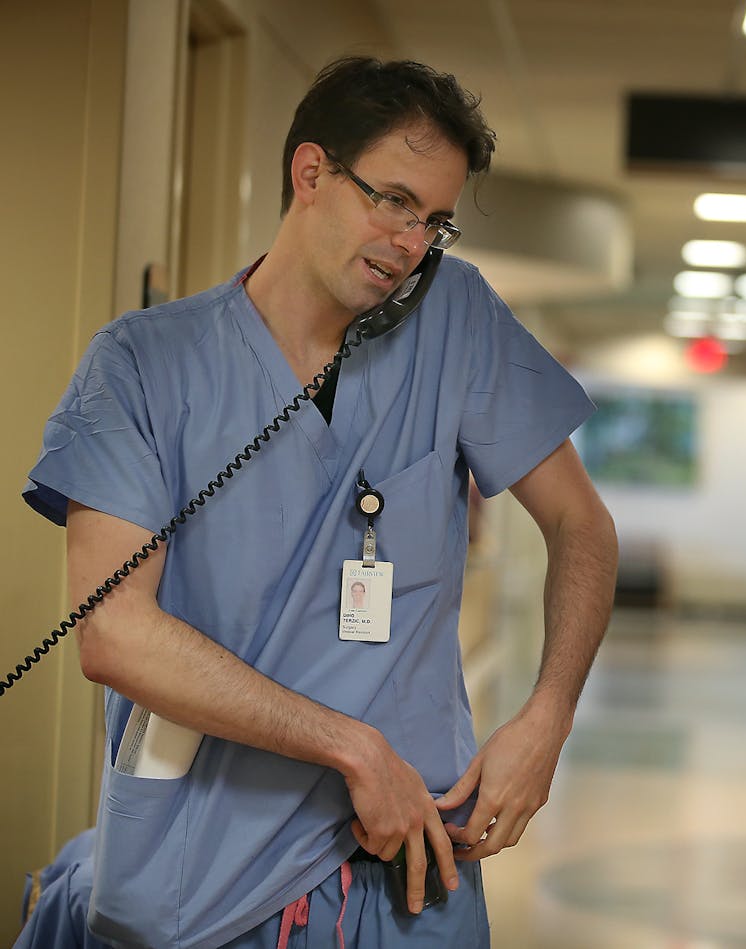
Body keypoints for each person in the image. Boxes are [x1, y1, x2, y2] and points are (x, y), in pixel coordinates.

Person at [19, 57, 616, 947]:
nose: (412, 242)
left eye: (436, 222)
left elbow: (582, 523)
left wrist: (549, 714)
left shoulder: (454, 320)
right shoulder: (143, 365)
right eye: (394, 201)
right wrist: (352, 746)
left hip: (413, 862)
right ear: (311, 173)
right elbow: (114, 631)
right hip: (207, 862)